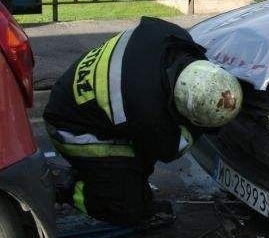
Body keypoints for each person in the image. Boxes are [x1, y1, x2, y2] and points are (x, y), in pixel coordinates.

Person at [43, 17, 243, 227]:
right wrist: (199, 128)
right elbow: (169, 150)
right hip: (71, 128)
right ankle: (66, 187)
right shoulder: (148, 110)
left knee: (138, 161)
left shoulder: (172, 36)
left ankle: (110, 176)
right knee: (129, 210)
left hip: (76, 95)